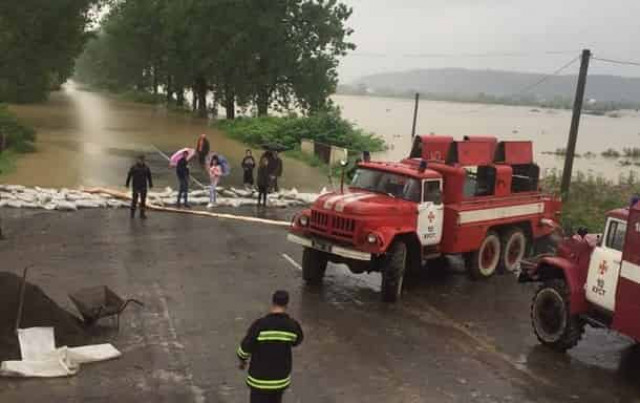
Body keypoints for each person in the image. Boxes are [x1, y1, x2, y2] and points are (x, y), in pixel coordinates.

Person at [237, 290, 303, 403]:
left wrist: (242, 361)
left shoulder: (260, 325)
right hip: (280, 380)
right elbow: (297, 341)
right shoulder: (292, 325)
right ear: (287, 304)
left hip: (258, 381)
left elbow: (245, 348)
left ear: (272, 303)